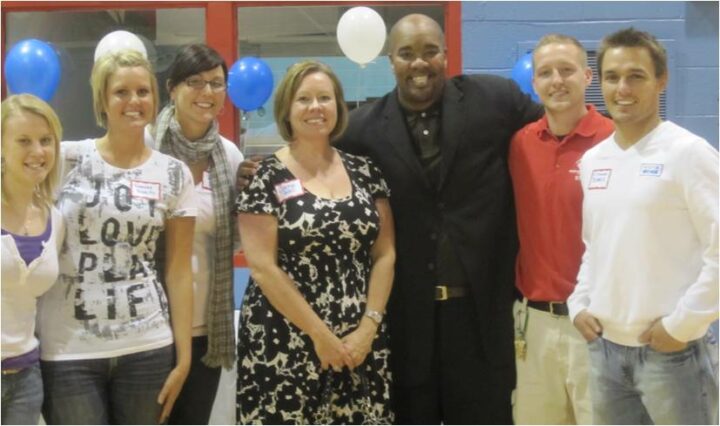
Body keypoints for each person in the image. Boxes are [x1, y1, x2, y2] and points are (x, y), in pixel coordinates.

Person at [237, 14, 542, 423]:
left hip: (479, 319)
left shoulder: (496, 100)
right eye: (406, 54)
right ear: (390, 62)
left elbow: (556, 128)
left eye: (430, 51)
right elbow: (311, 148)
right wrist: (257, 168)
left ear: (446, 55)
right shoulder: (363, 129)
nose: (419, 63)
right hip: (404, 323)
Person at [568, 27, 719, 424]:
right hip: (604, 351)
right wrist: (579, 302)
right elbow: (594, 246)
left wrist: (683, 325)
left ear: (661, 80)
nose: (623, 89)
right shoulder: (594, 161)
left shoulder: (689, 154)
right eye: (613, 77)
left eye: (636, 76)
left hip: (671, 352)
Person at [37, 49, 196, 424]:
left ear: (155, 100)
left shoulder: (173, 174)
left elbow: (178, 271)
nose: (133, 101)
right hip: (69, 349)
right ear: (103, 101)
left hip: (148, 346)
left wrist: (184, 356)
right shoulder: (63, 160)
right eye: (121, 92)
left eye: (143, 91)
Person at [236, 60, 395, 424]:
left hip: (360, 344)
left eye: (325, 98)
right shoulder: (266, 177)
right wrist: (320, 335)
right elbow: (262, 268)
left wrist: (368, 327)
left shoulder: (365, 171)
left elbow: (385, 254)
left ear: (338, 107)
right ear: (286, 110)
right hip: (285, 341)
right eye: (303, 99)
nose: (315, 107)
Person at [508, 34, 613, 424]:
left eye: (567, 70)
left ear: (588, 77)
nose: (557, 80)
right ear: (533, 84)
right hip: (532, 325)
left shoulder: (615, 141)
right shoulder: (520, 144)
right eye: (546, 73)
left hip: (597, 324)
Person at [147, 44, 243, 425]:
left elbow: (234, 237)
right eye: (195, 82)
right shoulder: (147, 149)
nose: (207, 93)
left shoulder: (230, 156)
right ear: (171, 88)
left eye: (216, 84)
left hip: (207, 326)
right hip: (152, 325)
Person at [1, 94, 64, 425]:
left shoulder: (56, 219)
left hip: (26, 376)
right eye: (23, 141)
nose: (38, 152)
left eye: (45, 140)